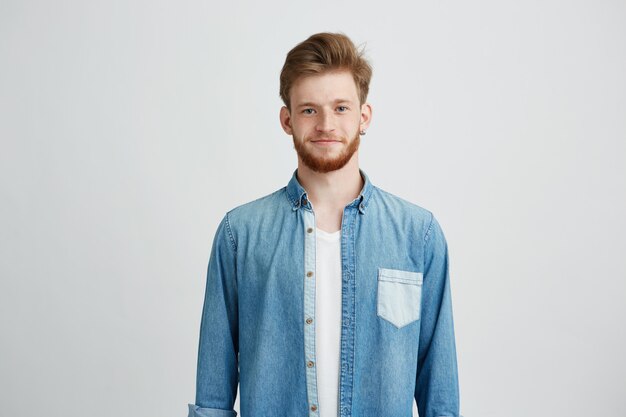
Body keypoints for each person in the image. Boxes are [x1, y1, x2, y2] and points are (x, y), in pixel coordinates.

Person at [187, 32, 460, 417]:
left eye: (341, 108)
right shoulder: (240, 235)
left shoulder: (419, 235)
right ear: (287, 120)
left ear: (364, 116)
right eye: (310, 110)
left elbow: (440, 397)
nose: (326, 124)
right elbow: (212, 399)